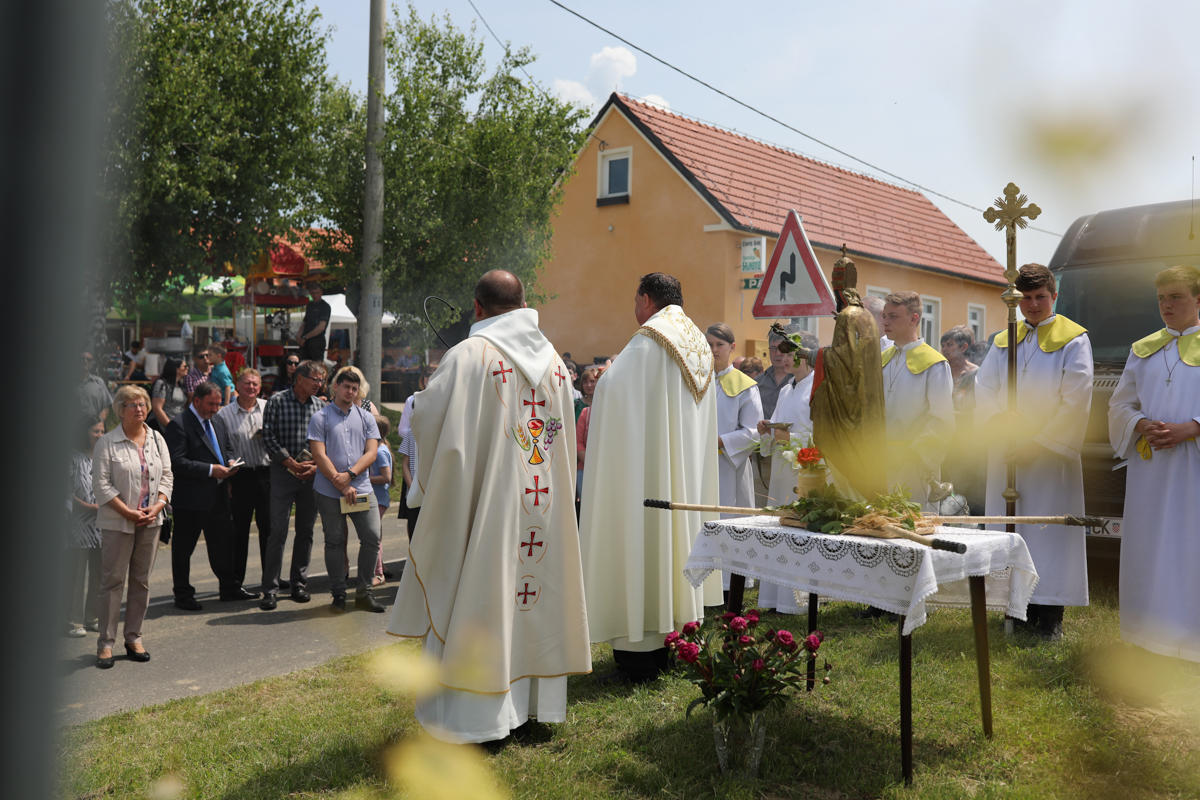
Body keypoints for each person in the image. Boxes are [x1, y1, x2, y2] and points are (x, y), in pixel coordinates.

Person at [387, 269, 591, 744]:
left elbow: (430, 420)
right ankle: (532, 710)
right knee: (534, 597)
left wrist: (418, 410)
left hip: (490, 506)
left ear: (477, 308)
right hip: (542, 503)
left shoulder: (467, 355)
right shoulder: (557, 364)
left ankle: (477, 721)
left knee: (481, 595)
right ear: (523, 304)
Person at [580, 272, 721, 685]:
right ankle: (677, 639)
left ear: (646, 299)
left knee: (644, 548)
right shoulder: (698, 342)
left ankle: (640, 653)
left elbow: (611, 393)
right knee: (674, 546)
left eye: (634, 300)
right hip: (682, 479)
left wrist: (605, 379)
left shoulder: (648, 339)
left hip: (647, 477)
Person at [976, 263, 1093, 641]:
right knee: (1010, 528)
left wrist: (1036, 442)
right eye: (1025, 298)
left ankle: (1049, 612)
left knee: (1047, 531)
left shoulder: (1074, 339)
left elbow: (1075, 398)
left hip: (1047, 456)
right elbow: (985, 389)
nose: (1032, 304)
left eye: (1040, 297)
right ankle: (1013, 607)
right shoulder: (1001, 340)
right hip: (1007, 452)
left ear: (1054, 296)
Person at [1109, 265, 1200, 661]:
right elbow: (1120, 404)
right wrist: (1141, 423)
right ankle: (1147, 634)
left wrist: (1191, 428)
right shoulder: (1143, 349)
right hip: (1151, 469)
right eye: (1162, 297)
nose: (1167, 305)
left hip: (1191, 467)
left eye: (1177, 296)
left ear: (1199, 299)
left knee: (1188, 545)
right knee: (1148, 545)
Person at [92, 386, 173, 668]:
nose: (139, 409)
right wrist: (128, 512)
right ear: (120, 410)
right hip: (118, 522)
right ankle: (105, 643)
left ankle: (133, 637)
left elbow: (168, 477)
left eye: (143, 404)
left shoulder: (158, 439)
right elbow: (101, 486)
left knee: (141, 581)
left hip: (151, 521)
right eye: (132, 405)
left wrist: (159, 506)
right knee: (112, 582)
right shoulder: (107, 442)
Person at [165, 382, 258, 610]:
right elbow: (177, 462)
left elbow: (225, 448)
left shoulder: (217, 419)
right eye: (211, 404)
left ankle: (229, 587)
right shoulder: (179, 425)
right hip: (191, 498)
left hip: (218, 495)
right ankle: (183, 595)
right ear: (196, 401)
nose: (216, 408)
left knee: (223, 543)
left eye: (218, 404)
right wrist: (210, 470)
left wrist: (229, 462)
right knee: (183, 548)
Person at [308, 369, 384, 613]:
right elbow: (318, 454)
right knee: (334, 541)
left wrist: (349, 476)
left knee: (372, 536)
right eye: (346, 387)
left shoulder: (366, 417)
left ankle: (364, 593)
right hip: (329, 490)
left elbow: (371, 453)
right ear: (336, 388)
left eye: (354, 388)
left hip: (360, 488)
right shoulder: (320, 417)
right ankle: (338, 594)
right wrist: (339, 482)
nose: (350, 392)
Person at [259, 359, 327, 610]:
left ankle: (299, 583)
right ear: (300, 379)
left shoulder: (320, 406)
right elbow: (268, 437)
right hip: (282, 474)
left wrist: (314, 466)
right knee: (277, 530)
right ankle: (270, 588)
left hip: (311, 476)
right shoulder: (276, 401)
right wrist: (290, 463)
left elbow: (324, 441)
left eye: (321, 380)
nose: (319, 385)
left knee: (306, 530)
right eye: (315, 380)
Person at [878, 291, 955, 512]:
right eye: (884, 316)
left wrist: (915, 453)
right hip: (879, 461)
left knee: (914, 528)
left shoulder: (934, 364)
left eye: (893, 316)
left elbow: (943, 421)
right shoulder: (880, 359)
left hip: (914, 464)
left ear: (914, 319)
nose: (885, 322)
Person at [706, 323, 764, 594]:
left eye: (719, 344)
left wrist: (721, 442)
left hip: (729, 468)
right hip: (700, 468)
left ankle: (731, 587)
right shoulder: (696, 380)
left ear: (732, 348)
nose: (713, 349)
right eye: (708, 344)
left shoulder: (745, 385)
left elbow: (754, 432)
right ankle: (704, 582)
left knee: (730, 522)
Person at [215, 368, 272, 592]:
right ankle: (236, 581)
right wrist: (226, 478)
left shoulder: (268, 408)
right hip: (239, 477)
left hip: (266, 475)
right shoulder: (224, 414)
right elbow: (220, 446)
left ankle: (270, 579)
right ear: (237, 386)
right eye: (247, 383)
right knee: (238, 531)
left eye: (255, 384)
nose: (251, 387)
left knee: (269, 529)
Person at [66, 415, 105, 638]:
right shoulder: (71, 458)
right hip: (78, 524)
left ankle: (94, 617)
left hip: (102, 524)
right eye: (95, 431)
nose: (99, 435)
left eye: (101, 431)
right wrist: (88, 508)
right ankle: (73, 621)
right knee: (77, 574)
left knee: (98, 573)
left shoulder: (104, 457)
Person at [940, 325, 985, 516]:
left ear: (964, 347)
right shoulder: (938, 371)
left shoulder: (977, 374)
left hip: (967, 444)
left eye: (949, 345)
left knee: (965, 487)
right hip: (941, 440)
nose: (944, 349)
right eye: (943, 345)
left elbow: (981, 408)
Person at [754, 329, 797, 505]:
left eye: (782, 349)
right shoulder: (758, 382)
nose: (778, 354)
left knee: (785, 502)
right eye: (773, 349)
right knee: (762, 503)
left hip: (791, 455)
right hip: (762, 453)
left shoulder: (798, 381)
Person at [368, 414, 393, 586]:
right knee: (376, 536)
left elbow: (386, 477)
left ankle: (378, 574)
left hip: (378, 499)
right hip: (376, 498)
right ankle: (380, 567)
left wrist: (364, 479)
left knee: (373, 537)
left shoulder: (380, 452)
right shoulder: (377, 449)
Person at [150, 358, 188, 431]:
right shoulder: (161, 384)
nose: (187, 368)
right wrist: (170, 426)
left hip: (178, 425)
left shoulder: (181, 386)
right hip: (163, 426)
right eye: (184, 366)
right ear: (176, 369)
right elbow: (157, 408)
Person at [298, 283, 331, 363]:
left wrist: (305, 337)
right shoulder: (310, 305)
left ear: (321, 292)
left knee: (317, 367)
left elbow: (321, 327)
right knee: (303, 366)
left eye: (317, 293)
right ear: (310, 292)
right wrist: (298, 336)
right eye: (313, 293)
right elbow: (305, 322)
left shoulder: (325, 306)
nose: (315, 295)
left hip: (317, 341)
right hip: (305, 341)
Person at [79, 351, 113, 424]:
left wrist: (97, 423)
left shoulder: (99, 382)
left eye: (89, 359)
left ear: (92, 363)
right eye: (82, 359)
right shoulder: (68, 383)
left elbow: (106, 407)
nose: (85, 361)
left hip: (93, 428)